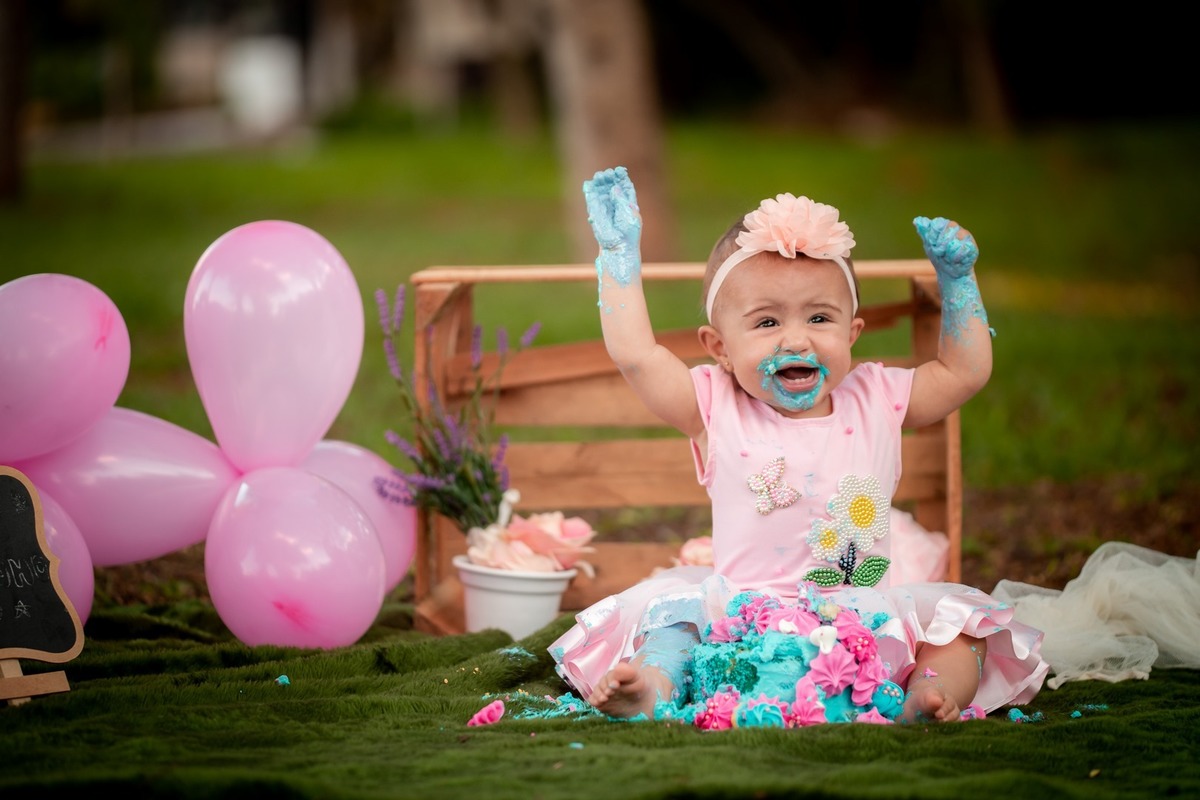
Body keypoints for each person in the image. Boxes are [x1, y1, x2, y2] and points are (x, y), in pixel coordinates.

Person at [548, 166, 1049, 724]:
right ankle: (653, 685)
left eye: (819, 317)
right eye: (766, 322)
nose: (795, 337)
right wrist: (618, 258)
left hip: (860, 616)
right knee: (673, 621)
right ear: (719, 347)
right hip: (739, 618)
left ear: (851, 334)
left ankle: (928, 696)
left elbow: (964, 372)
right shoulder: (714, 405)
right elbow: (639, 356)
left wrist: (958, 282)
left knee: (962, 632)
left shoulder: (877, 395)